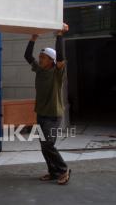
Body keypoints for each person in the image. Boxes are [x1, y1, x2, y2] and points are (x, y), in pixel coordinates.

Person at [24, 23, 71, 185]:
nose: (40, 59)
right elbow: (27, 56)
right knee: (44, 146)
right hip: (41, 113)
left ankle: (63, 169)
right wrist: (33, 38)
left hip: (53, 114)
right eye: (40, 57)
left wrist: (59, 35)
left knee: (48, 144)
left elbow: (61, 59)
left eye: (43, 58)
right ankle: (53, 172)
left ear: (51, 61)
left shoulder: (57, 73)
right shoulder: (39, 69)